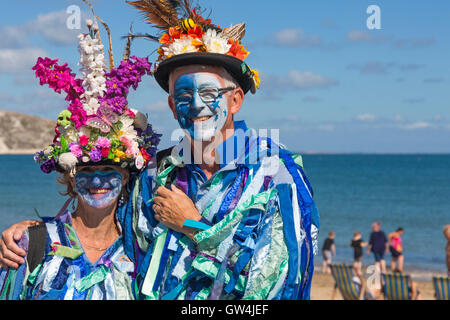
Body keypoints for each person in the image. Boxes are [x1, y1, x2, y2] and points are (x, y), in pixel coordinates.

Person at [0, 1, 320, 300]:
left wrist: (193, 226)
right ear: (171, 104)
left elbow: (274, 285)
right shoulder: (156, 174)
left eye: (209, 92)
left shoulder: (274, 176)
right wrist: (34, 233)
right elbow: (103, 214)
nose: (195, 105)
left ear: (236, 99)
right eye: (183, 94)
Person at [0, 13, 161, 299]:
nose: (97, 179)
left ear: (125, 176)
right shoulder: (31, 243)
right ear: (71, 179)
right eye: (85, 170)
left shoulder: (141, 250)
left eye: (109, 168)